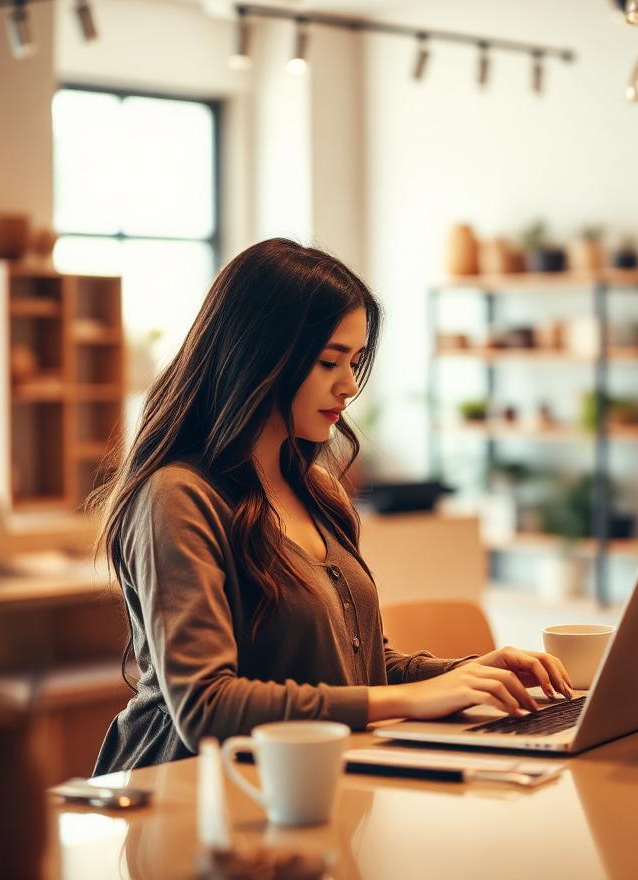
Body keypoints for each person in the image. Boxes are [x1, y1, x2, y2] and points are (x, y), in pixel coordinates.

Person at [92, 238, 573, 774]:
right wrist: (412, 701)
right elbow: (205, 708)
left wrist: (470, 674)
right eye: (329, 362)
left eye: (355, 362)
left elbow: (360, 666)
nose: (348, 386)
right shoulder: (177, 497)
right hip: (185, 796)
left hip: (309, 781)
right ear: (261, 358)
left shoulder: (316, 490)